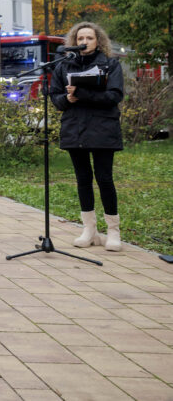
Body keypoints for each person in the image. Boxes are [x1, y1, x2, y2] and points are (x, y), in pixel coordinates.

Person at [49, 21, 125, 251]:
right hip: (75, 128)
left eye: (89, 38)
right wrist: (68, 99)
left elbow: (114, 95)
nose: (84, 42)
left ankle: (113, 231)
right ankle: (89, 230)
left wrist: (82, 93)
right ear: (74, 41)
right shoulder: (64, 65)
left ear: (98, 41)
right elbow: (55, 97)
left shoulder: (111, 64)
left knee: (104, 179)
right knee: (83, 179)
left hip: (103, 129)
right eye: (80, 38)